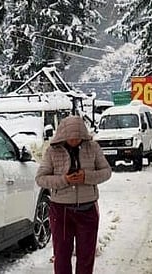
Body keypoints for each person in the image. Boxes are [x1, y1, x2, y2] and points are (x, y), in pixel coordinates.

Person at [35, 115, 111, 274]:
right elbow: (40, 179)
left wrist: (87, 177)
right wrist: (65, 180)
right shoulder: (52, 151)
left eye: (78, 138)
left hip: (88, 209)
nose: (75, 140)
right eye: (71, 138)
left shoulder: (93, 147)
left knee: (86, 255)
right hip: (61, 211)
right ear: (63, 135)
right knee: (61, 256)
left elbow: (106, 172)